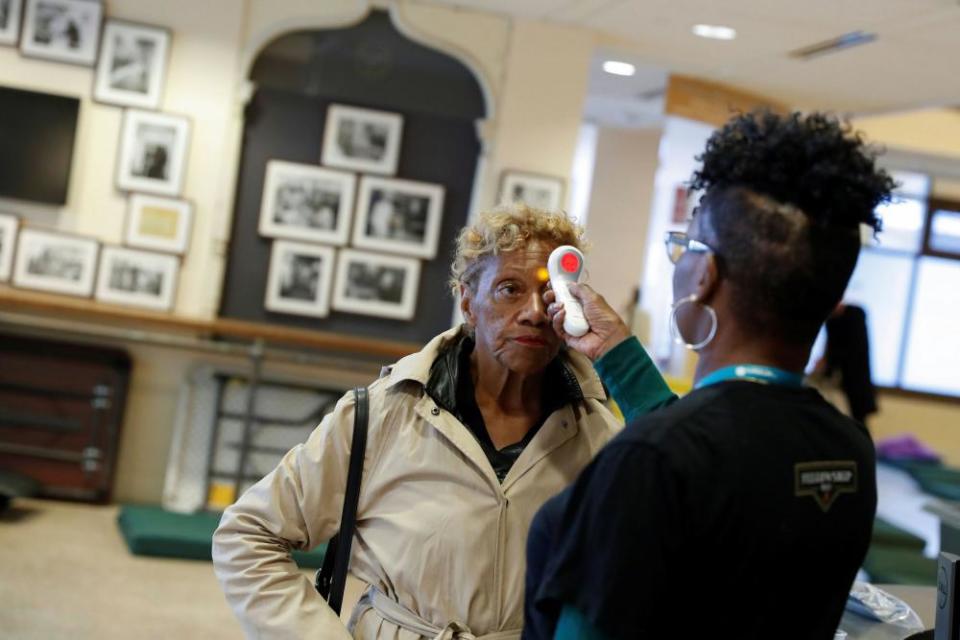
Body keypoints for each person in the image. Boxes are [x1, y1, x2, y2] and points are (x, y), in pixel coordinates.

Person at [212, 203, 674, 639]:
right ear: (468, 302)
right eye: (510, 289)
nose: (535, 313)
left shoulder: (602, 440)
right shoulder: (384, 414)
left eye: (550, 293)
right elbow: (248, 535)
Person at [525, 110, 895, 640]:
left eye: (686, 246)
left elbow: (689, 460)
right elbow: (717, 460)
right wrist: (618, 353)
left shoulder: (649, 461)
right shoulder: (847, 449)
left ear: (704, 274)